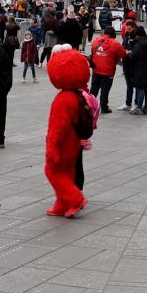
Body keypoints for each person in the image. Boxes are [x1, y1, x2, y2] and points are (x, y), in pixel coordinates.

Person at [44, 49, 92, 215]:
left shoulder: (63, 99)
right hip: (74, 141)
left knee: (52, 171)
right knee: (68, 171)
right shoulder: (78, 94)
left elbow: (57, 128)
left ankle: (75, 199)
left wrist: (52, 149)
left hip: (64, 142)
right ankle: (62, 204)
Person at [88, 27, 125, 112]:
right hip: (108, 71)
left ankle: (89, 105)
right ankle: (104, 107)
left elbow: (93, 51)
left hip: (96, 69)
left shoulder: (96, 41)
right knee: (105, 90)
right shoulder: (115, 43)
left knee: (94, 89)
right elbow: (123, 54)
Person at [123, 24, 147, 115]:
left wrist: (128, 53)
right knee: (146, 88)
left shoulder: (139, 44)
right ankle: (146, 108)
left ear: (138, 34)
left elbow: (133, 56)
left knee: (140, 88)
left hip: (139, 69)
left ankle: (139, 108)